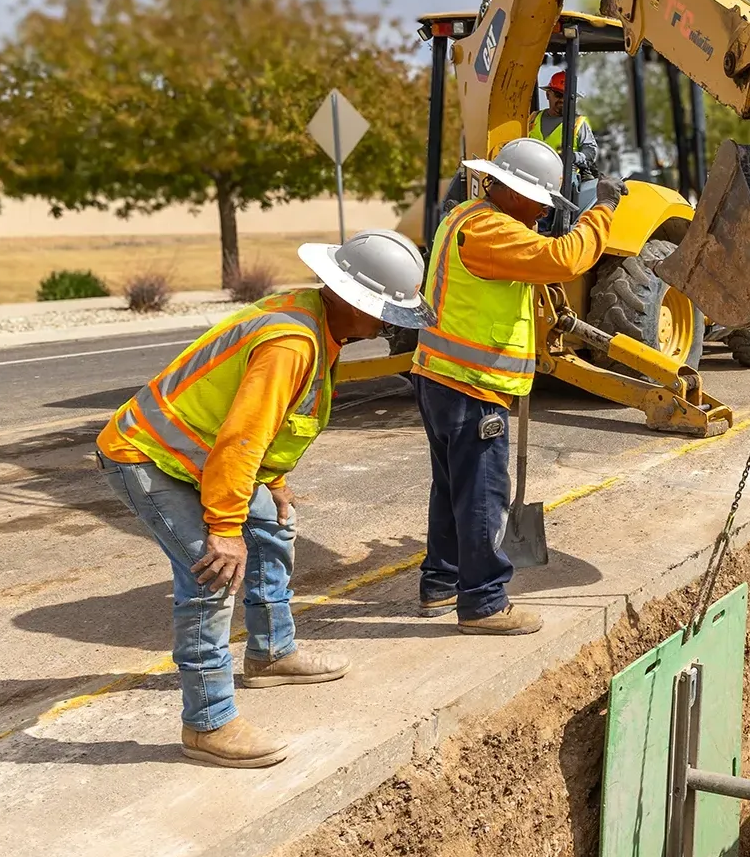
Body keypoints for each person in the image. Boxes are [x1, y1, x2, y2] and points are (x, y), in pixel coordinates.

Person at [96, 229, 434, 767]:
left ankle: (272, 653)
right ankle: (208, 723)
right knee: (212, 574)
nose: (386, 325)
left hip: (202, 458)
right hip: (150, 455)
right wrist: (225, 529)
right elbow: (242, 438)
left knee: (274, 525)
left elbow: (277, 423)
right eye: (381, 312)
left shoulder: (318, 323)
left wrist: (272, 482)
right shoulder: (292, 343)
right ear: (351, 299)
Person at [411, 137, 625, 633]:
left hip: (442, 377)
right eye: (541, 200)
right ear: (511, 190)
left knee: (452, 488)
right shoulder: (491, 230)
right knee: (483, 495)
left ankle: (441, 583)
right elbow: (566, 259)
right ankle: (484, 603)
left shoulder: (464, 216)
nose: (544, 211)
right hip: (471, 385)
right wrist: (603, 210)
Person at [525, 70, 600, 181]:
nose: (562, 100)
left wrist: (574, 157)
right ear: (548, 95)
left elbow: (590, 151)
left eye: (567, 97)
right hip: (530, 174)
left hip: (564, 179)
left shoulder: (578, 123)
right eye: (558, 95)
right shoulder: (533, 118)